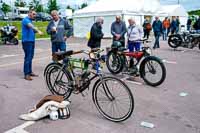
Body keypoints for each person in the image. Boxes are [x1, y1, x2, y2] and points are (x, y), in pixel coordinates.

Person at [21, 9, 43, 81]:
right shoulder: (25, 20)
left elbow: (32, 29)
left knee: (30, 57)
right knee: (28, 57)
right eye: (33, 14)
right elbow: (31, 26)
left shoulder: (30, 21)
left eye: (35, 14)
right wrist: (38, 30)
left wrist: (37, 31)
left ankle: (29, 72)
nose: (35, 15)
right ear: (29, 13)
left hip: (31, 41)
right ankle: (26, 74)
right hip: (27, 42)